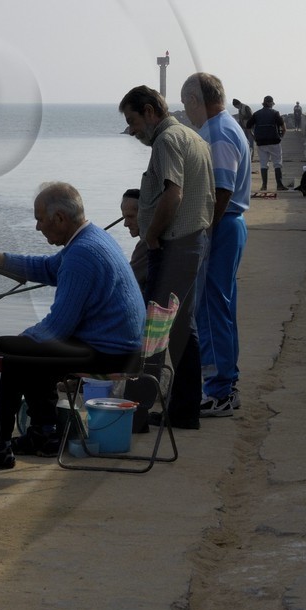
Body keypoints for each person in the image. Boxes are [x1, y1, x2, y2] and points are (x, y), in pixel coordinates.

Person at [0, 182, 146, 470]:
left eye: (40, 219)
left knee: (2, 351)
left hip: (110, 352)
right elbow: (49, 268)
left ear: (60, 218)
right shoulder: (91, 237)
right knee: (27, 350)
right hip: (119, 347)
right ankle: (44, 434)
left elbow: (57, 329)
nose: (38, 227)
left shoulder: (82, 254)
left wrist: (21, 343)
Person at [120, 85, 213, 429]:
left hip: (174, 246)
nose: (131, 129)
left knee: (155, 331)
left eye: (132, 120)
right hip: (193, 242)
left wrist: (152, 233)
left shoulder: (166, 140)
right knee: (181, 330)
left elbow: (173, 194)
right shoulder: (194, 138)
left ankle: (137, 414)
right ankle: (184, 411)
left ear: (148, 111)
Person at [180, 73, 251, 417]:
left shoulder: (218, 133)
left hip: (220, 228)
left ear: (196, 100)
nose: (186, 112)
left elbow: (221, 190)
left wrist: (201, 231)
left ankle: (218, 390)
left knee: (209, 310)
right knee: (219, 308)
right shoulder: (225, 127)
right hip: (228, 227)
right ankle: (226, 385)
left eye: (186, 104)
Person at [249, 96, 287, 192]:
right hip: (274, 141)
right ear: (271, 103)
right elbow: (283, 127)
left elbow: (248, 126)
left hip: (261, 142)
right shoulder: (275, 113)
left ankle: (264, 185)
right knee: (277, 163)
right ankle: (279, 185)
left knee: (263, 164)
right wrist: (281, 137)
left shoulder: (256, 114)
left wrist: (254, 137)